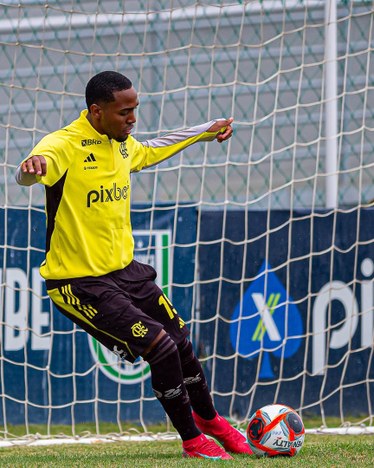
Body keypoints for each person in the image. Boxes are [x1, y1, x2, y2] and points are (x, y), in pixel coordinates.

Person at [15, 70, 252, 460]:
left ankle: (212, 421)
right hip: (78, 282)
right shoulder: (64, 144)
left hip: (125, 271)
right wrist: (30, 168)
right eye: (125, 112)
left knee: (182, 343)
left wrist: (206, 130)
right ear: (96, 111)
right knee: (160, 348)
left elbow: (155, 147)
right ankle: (193, 440)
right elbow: (38, 164)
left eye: (135, 110)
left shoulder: (122, 146)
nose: (133, 119)